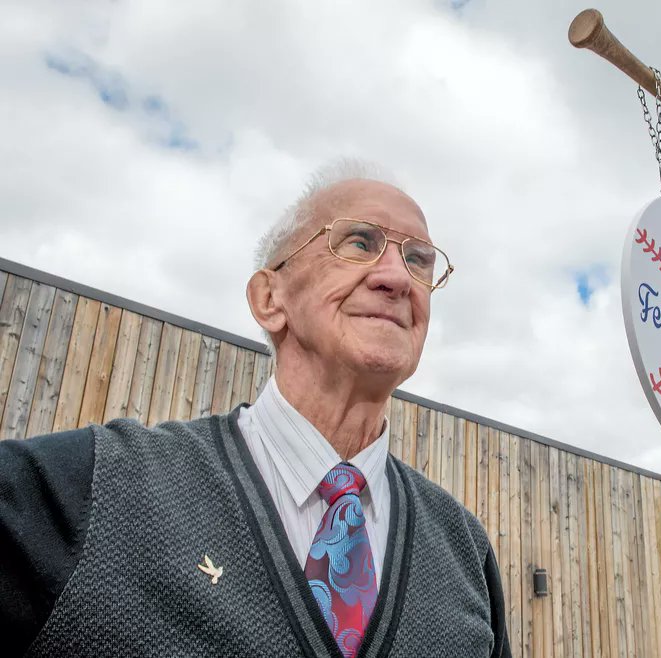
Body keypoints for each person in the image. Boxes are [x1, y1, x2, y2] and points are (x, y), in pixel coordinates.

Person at [0, 161, 512, 657]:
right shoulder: (86, 488)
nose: (398, 277)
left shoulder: (465, 549)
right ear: (270, 298)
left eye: (419, 260)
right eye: (360, 242)